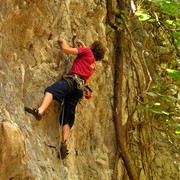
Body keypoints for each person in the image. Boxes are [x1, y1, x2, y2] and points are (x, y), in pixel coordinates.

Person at [25, 37, 105, 159]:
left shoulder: (87, 52)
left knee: (51, 90)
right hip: (79, 89)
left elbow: (66, 50)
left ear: (92, 48)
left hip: (72, 81)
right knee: (67, 116)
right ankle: (64, 143)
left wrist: (63, 41)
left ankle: (40, 111)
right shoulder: (93, 64)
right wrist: (82, 44)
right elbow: (85, 52)